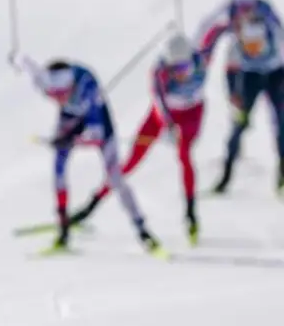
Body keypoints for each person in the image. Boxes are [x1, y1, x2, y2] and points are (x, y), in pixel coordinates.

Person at [10, 51, 164, 256]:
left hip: (97, 122)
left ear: (71, 86)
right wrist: (16, 59)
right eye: (54, 95)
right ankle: (63, 229)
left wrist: (71, 139)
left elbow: (96, 133)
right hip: (70, 118)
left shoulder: (88, 87)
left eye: (62, 94)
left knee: (115, 178)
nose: (58, 99)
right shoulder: (44, 83)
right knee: (58, 168)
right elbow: (28, 65)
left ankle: (142, 229)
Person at [65, 32, 211, 243]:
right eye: (175, 69)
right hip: (163, 115)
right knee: (130, 162)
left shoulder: (201, 60)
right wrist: (168, 125)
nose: (180, 74)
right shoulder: (160, 71)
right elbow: (159, 102)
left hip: (191, 115)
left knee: (185, 156)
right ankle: (91, 205)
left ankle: (190, 214)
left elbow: (212, 32)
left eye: (184, 68)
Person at [196, 0, 284, 194]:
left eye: (249, 6)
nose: (246, 10)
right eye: (242, 6)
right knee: (239, 123)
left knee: (281, 124)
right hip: (249, 76)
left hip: (275, 73)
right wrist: (202, 58)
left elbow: (279, 30)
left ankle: (282, 176)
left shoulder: (265, 11)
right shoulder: (231, 13)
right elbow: (210, 31)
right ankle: (225, 177)